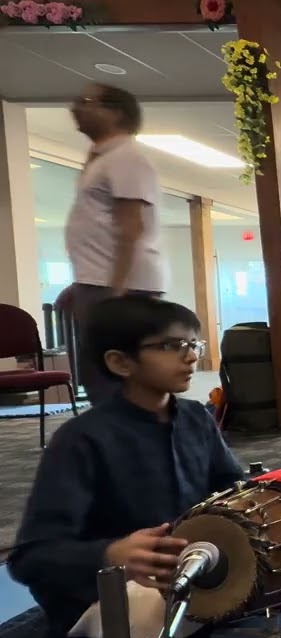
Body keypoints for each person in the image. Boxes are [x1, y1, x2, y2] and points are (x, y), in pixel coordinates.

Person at [9, 296, 244, 638]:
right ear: (120, 362)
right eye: (171, 345)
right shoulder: (81, 439)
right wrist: (111, 555)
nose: (192, 356)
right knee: (174, 614)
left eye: (194, 343)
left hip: (186, 567)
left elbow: (231, 488)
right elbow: (30, 558)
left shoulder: (196, 418)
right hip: (106, 591)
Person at [59, 82, 165, 405]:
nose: (75, 106)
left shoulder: (125, 157)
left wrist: (115, 293)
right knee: (101, 379)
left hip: (122, 288)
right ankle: (116, 449)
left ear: (116, 113)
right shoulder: (103, 158)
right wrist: (80, 285)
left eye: (87, 101)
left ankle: (130, 451)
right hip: (103, 284)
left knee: (116, 382)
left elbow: (131, 227)